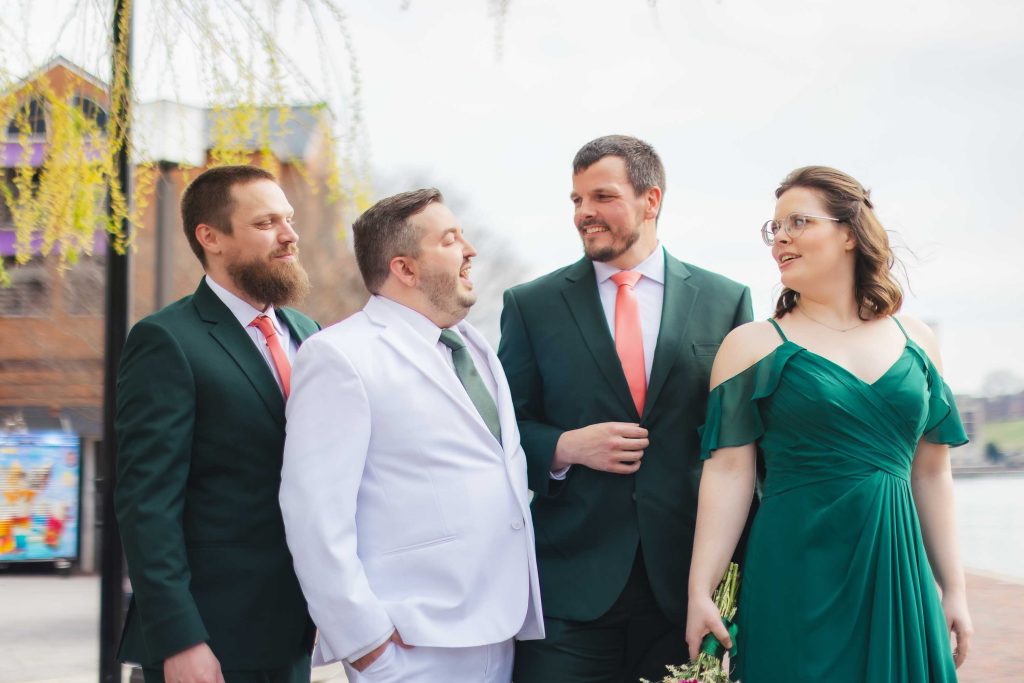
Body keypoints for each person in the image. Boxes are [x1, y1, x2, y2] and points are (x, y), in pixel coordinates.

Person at [686, 166, 974, 681]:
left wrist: (953, 588)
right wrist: (700, 591)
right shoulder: (752, 346)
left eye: (797, 222)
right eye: (773, 228)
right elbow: (729, 473)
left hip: (898, 569)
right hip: (794, 568)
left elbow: (931, 472)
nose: (780, 239)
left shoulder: (917, 340)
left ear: (848, 233)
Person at [498, 135, 753, 682]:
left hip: (686, 588)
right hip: (568, 591)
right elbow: (501, 428)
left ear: (651, 200)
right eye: (575, 200)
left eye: (601, 196)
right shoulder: (531, 306)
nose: (584, 213)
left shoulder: (725, 301)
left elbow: (744, 445)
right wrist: (565, 447)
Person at [279, 188, 544, 683]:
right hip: (410, 645)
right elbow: (314, 513)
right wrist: (364, 643)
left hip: (500, 631)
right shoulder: (340, 356)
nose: (470, 250)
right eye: (450, 240)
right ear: (405, 268)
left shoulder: (477, 347)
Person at [115, 165, 319, 683]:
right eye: (266, 223)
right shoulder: (166, 341)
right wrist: (180, 638)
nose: (289, 235)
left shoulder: (308, 333)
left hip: (297, 632)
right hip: (211, 640)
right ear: (211, 237)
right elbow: (147, 504)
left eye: (288, 220)